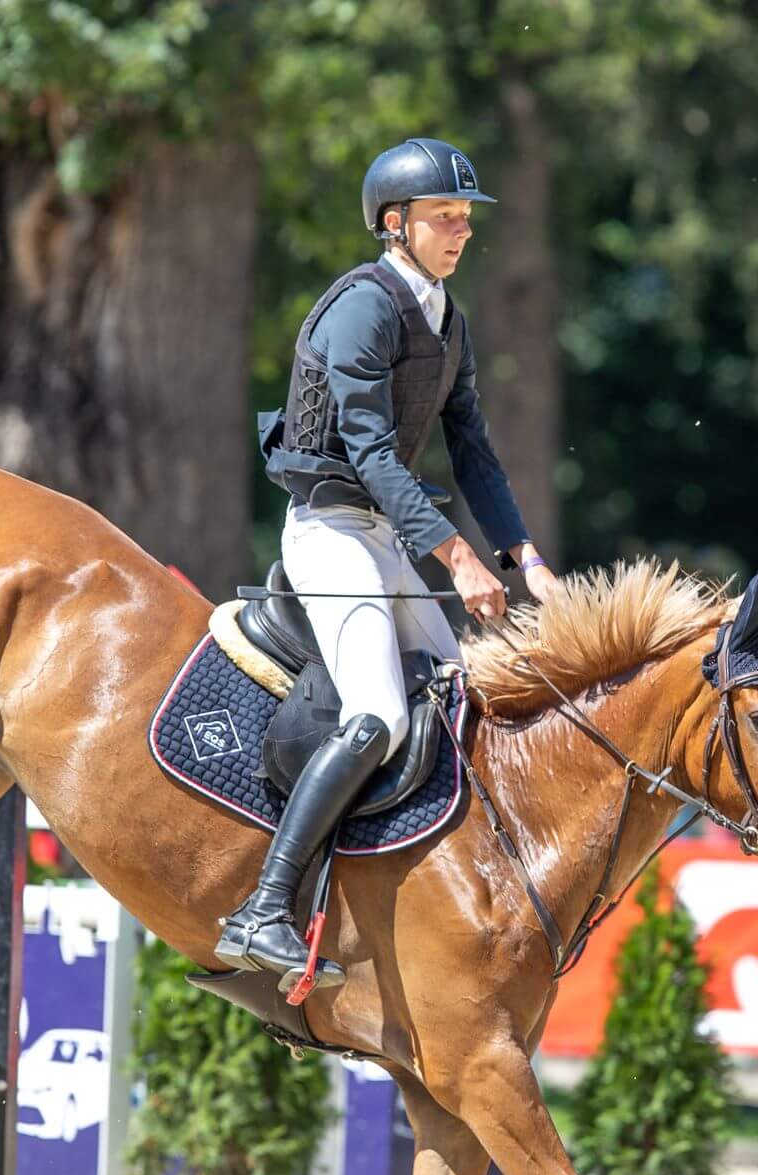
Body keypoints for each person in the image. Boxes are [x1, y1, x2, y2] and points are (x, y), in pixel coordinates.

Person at [215, 137, 561, 991]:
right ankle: (262, 908)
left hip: (380, 533)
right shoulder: (363, 308)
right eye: (446, 217)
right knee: (381, 713)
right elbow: (369, 451)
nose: (461, 231)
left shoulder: (446, 317)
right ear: (396, 223)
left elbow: (472, 448)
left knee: (463, 702)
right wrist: (456, 554)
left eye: (466, 218)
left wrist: (523, 555)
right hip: (329, 529)